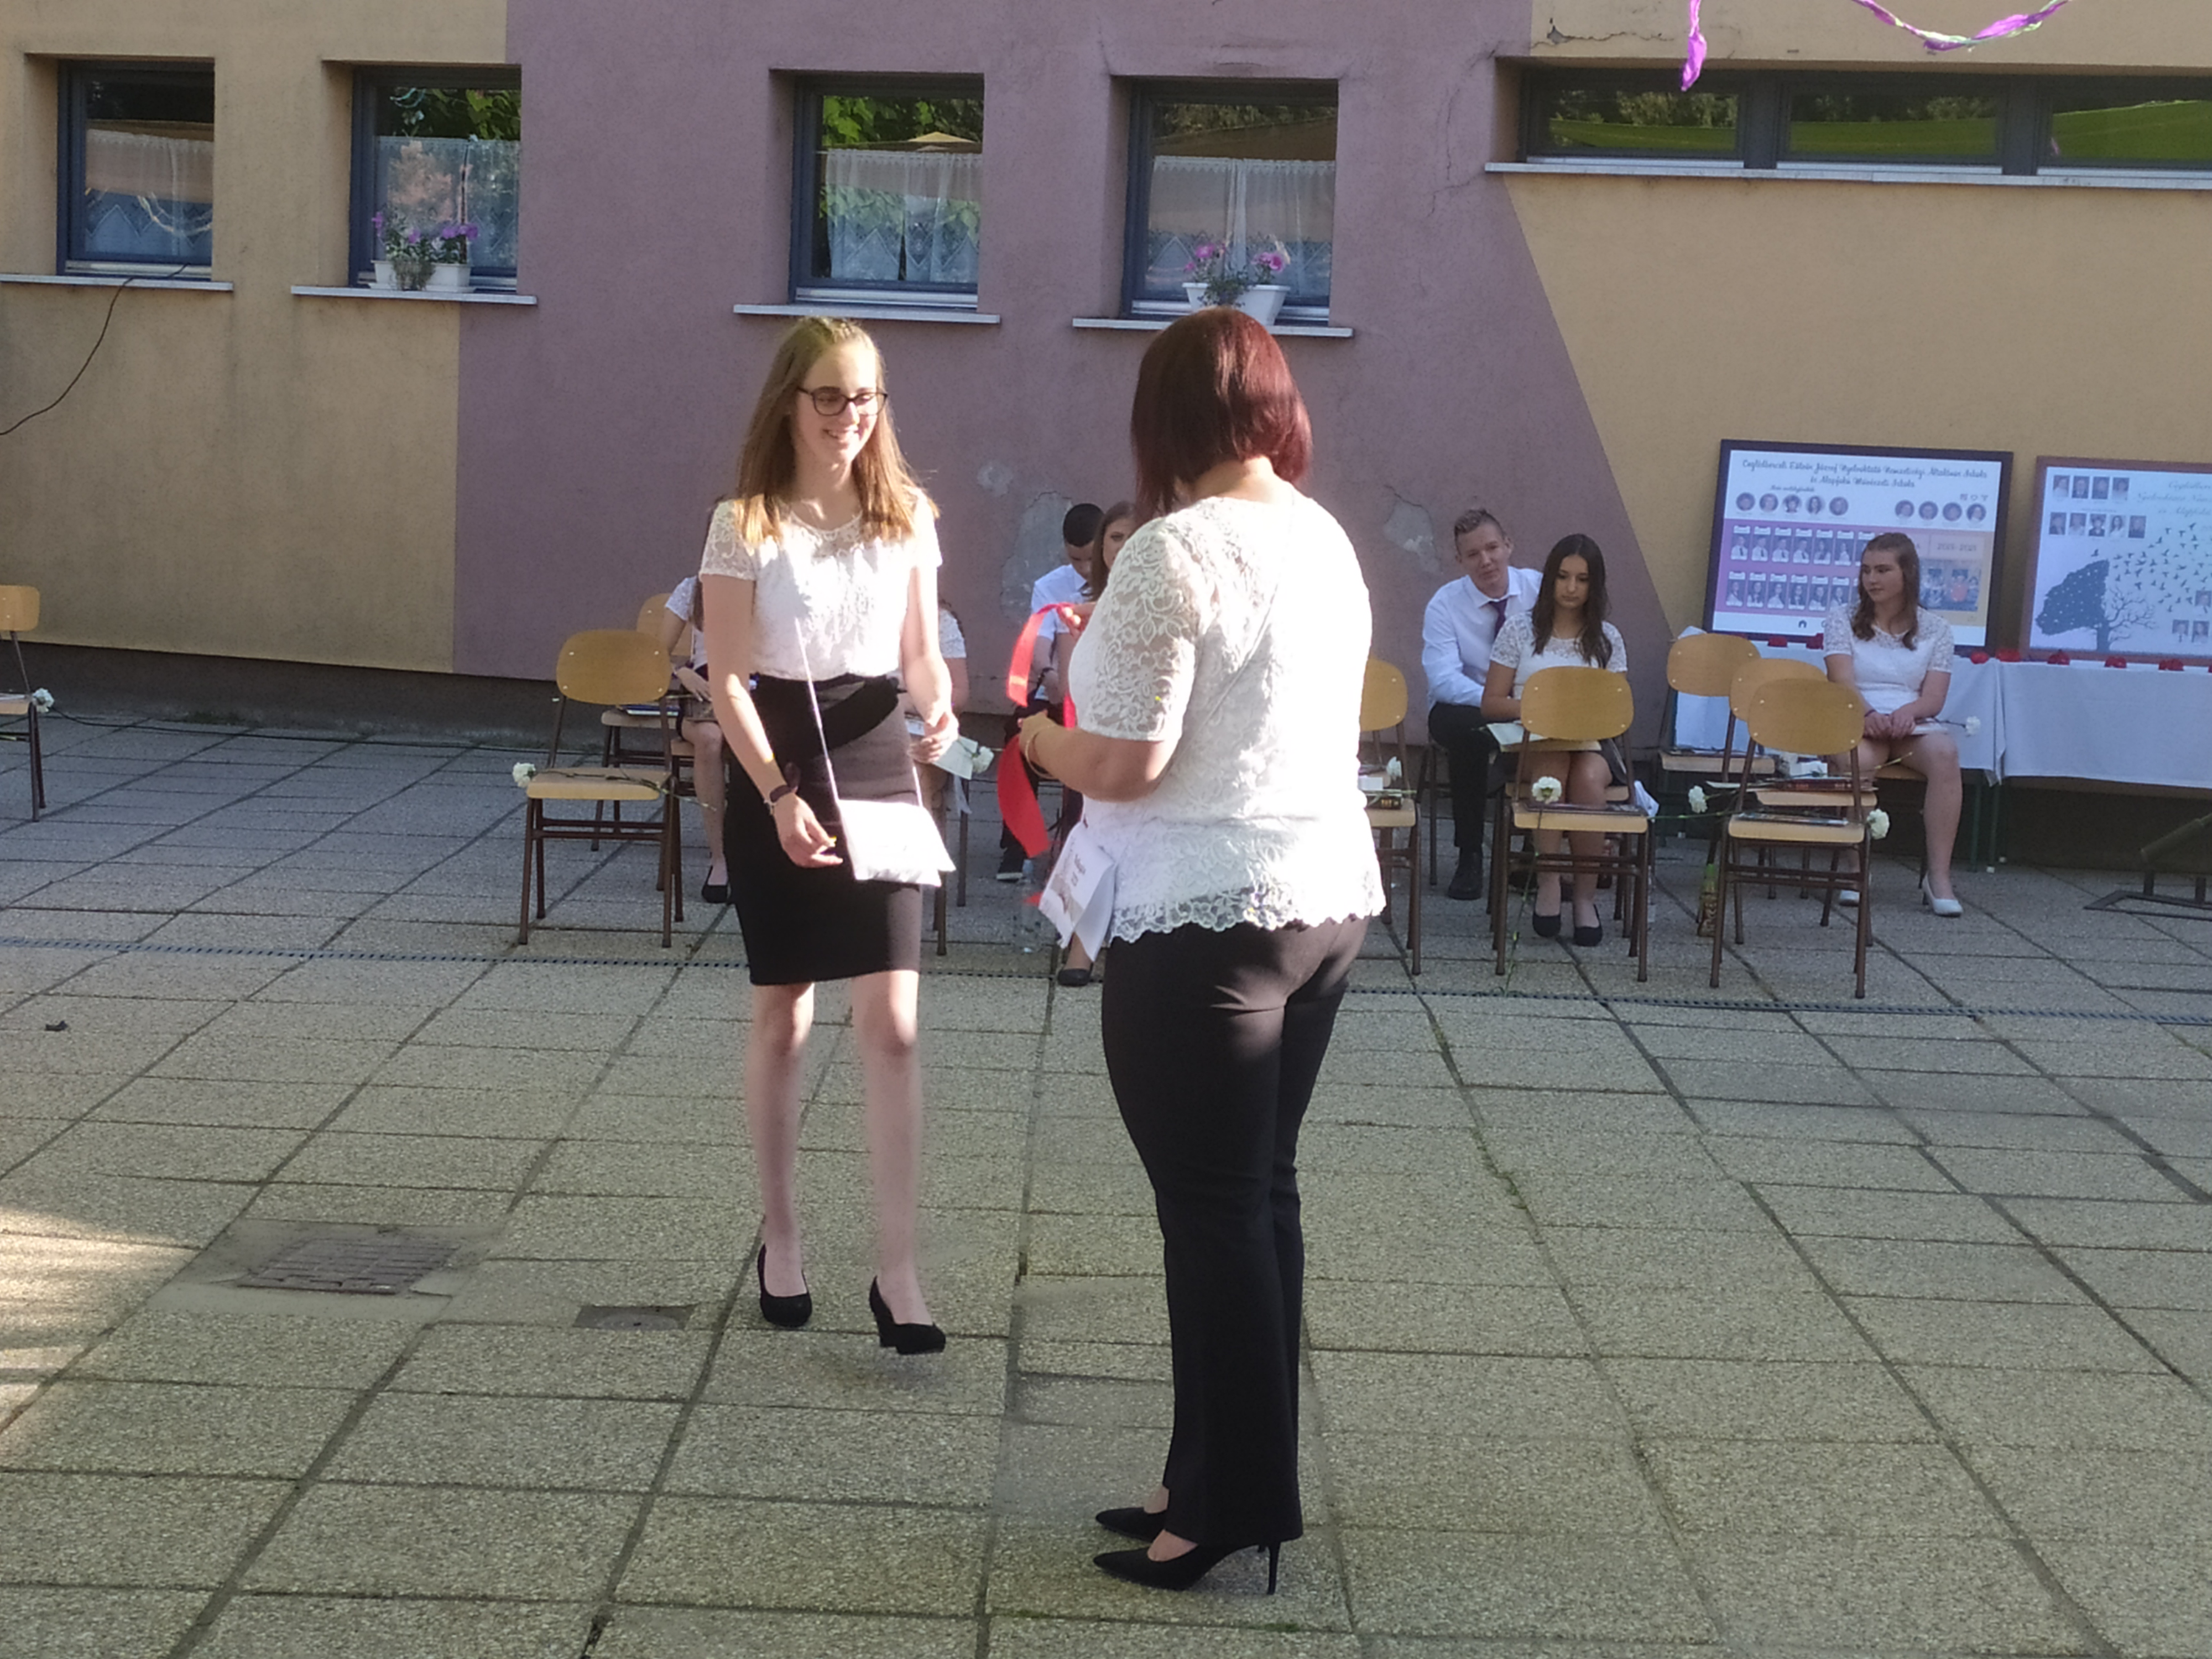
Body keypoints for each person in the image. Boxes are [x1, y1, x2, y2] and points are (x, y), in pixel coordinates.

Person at [1020, 310, 1381, 1595]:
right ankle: (1210, 1475)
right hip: (1321, 898)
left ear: (1163, 418)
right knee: (1255, 1197)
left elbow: (1126, 760)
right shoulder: (1323, 536)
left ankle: (1230, 1501)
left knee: (1212, 1211)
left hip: (1202, 912)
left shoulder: (1172, 550)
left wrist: (1036, 740)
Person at [697, 316, 958, 1353]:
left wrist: (939, 707)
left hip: (880, 766)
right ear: (789, 402)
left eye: (865, 397)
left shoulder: (908, 515)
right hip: (780, 764)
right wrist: (772, 794)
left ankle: (899, 1272)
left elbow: (920, 654)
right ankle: (782, 1234)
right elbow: (725, 678)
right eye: (829, 396)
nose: (849, 416)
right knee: (784, 1017)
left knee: (893, 1025)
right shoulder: (743, 523)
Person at [1481, 533, 1628, 947]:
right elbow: (1491, 703)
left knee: (1588, 778)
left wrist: (1578, 716)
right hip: (1532, 741)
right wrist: (1542, 709)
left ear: (1594, 585)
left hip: (1592, 744)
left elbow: (1617, 710)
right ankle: (1548, 879)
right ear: (1550, 579)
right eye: (1563, 577)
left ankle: (1584, 897)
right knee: (1553, 766)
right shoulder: (1520, 629)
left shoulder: (1608, 638)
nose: (1571, 588)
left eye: (1582, 579)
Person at [1824, 531, 1963, 916]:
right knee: (1858, 759)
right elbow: (1841, 682)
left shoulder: (1937, 628)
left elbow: (1934, 697)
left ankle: (1939, 878)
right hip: (1858, 714)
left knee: (1946, 755)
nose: (1872, 579)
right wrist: (1868, 714)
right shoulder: (1842, 619)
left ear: (1908, 573)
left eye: (1883, 570)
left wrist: (1908, 713)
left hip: (1910, 723)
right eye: (1867, 570)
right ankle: (1855, 868)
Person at [1422, 507, 1542, 900]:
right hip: (1469, 706)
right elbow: (1443, 680)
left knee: (1551, 732)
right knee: (1466, 735)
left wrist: (1523, 704)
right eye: (1473, 554)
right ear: (1460, 561)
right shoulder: (1444, 604)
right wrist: (1498, 703)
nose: (1486, 560)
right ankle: (1470, 854)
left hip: (1530, 705)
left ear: (1509, 545)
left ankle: (1533, 852)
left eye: (1492, 548)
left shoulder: (1539, 592)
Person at [1047, 500, 1141, 989]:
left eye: (1134, 537)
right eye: (1116, 537)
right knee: (1093, 832)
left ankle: (1128, 942)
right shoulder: (1078, 608)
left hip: (1146, 733)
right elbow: (1070, 683)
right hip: (1095, 726)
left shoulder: (1161, 601)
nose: (1123, 547)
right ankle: (1081, 948)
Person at [998, 503, 1103, 879]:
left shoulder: (1121, 586)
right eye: (1076, 560)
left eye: (1090, 559)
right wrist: (1050, 674)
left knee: (1087, 747)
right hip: (1058, 692)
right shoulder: (1050, 586)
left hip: (1102, 702)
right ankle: (1017, 845)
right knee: (1019, 736)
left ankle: (1075, 845)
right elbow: (1040, 646)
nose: (1084, 569)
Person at [657, 578, 730, 903]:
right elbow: (656, 654)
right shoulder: (692, 588)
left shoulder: (770, 583)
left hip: (755, 686)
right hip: (704, 691)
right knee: (711, 738)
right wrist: (681, 672)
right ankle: (720, 857)